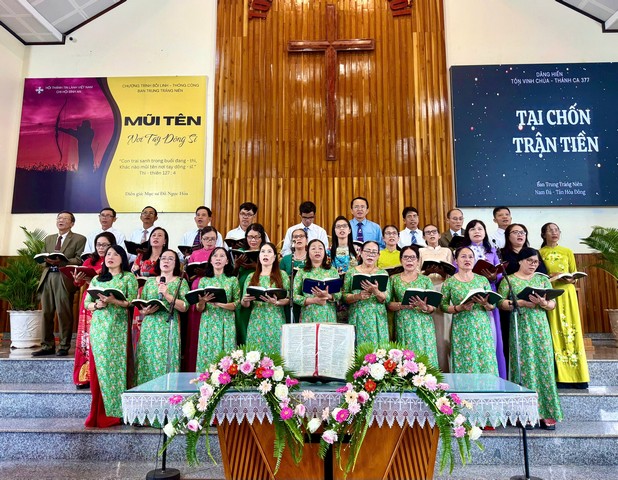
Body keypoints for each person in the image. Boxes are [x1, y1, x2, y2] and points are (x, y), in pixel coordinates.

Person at [498, 247, 563, 429]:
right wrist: (520, 303)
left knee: (544, 366)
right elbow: (500, 303)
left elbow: (552, 304)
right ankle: (525, 413)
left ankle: (546, 412)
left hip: (540, 327)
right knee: (524, 367)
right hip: (520, 327)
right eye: (530, 261)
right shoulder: (510, 280)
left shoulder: (542, 279)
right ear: (520, 261)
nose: (533, 265)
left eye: (536, 262)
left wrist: (544, 303)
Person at [84, 245, 138, 427]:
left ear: (122, 258)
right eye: (108, 254)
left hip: (118, 328)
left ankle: (116, 412)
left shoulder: (128, 277)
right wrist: (97, 305)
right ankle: (98, 412)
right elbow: (87, 303)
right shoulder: (97, 278)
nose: (110, 257)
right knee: (99, 368)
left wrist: (114, 301)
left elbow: (131, 302)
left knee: (115, 368)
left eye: (115, 254)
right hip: (99, 328)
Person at [539, 223, 590, 388]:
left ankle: (578, 376)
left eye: (556, 230)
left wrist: (570, 279)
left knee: (572, 329)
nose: (554, 233)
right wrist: (552, 276)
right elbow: (538, 276)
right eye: (550, 230)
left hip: (568, 293)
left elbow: (574, 275)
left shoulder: (567, 251)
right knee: (555, 330)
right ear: (544, 234)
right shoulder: (540, 253)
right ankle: (559, 375)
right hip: (551, 293)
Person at [33, 211, 87, 357]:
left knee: (64, 312)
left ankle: (64, 346)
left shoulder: (79, 238)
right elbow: (42, 256)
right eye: (59, 218)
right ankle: (47, 345)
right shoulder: (49, 239)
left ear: (72, 223)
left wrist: (62, 261)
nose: (61, 220)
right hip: (47, 276)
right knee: (46, 313)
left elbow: (79, 260)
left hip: (63, 277)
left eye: (65, 218)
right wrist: (46, 260)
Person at [440, 247, 498, 375]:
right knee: (465, 360)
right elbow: (443, 306)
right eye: (463, 256)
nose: (467, 260)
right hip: (461, 326)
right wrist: (458, 308)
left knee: (485, 359)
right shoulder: (449, 282)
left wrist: (485, 303)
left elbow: (492, 305)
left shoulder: (482, 280)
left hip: (482, 326)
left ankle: (488, 387)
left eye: (470, 257)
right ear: (456, 261)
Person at [135, 250, 189, 386]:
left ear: (176, 263)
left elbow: (185, 307)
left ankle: (167, 393)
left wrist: (167, 295)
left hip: (168, 324)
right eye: (163, 258)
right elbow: (142, 305)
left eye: (170, 259)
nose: (166, 261)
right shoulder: (150, 282)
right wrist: (145, 310)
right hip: (150, 325)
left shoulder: (180, 282)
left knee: (166, 360)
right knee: (147, 360)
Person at [462, 219, 507, 379]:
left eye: (480, 229)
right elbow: (456, 269)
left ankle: (492, 371)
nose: (477, 231)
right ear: (467, 233)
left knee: (492, 330)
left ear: (485, 232)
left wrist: (494, 276)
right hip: (469, 292)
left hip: (489, 291)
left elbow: (499, 273)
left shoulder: (492, 251)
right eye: (472, 229)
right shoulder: (463, 251)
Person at [72, 232, 116, 388]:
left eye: (105, 245)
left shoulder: (114, 261)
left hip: (106, 301)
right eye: (98, 245)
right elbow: (79, 284)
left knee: (101, 340)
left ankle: (101, 376)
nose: (101, 248)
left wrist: (95, 280)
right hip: (89, 301)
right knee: (86, 337)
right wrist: (78, 280)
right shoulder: (90, 261)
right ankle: (84, 376)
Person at [499, 223, 548, 363]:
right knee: (515, 345)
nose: (520, 235)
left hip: (537, 311)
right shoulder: (502, 254)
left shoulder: (534, 253)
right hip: (513, 308)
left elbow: (543, 274)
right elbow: (501, 301)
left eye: (523, 232)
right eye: (515, 232)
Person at [388, 245, 439, 367]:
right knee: (406, 359)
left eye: (412, 257)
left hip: (423, 323)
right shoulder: (393, 279)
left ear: (417, 260)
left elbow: (433, 306)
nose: (409, 260)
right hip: (403, 322)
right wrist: (403, 305)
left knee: (426, 358)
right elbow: (388, 304)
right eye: (406, 257)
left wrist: (425, 307)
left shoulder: (426, 280)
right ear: (401, 260)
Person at [195, 247, 240, 371]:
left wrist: (219, 304)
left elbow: (237, 304)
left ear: (227, 261)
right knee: (208, 353)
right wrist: (203, 301)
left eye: (222, 256)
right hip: (208, 321)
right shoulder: (204, 281)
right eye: (215, 256)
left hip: (226, 321)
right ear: (210, 260)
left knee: (227, 356)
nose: (218, 258)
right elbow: (199, 308)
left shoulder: (232, 280)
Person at [241, 243, 290, 354]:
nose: (265, 254)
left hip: (275, 318)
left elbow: (288, 299)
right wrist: (245, 300)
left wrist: (277, 302)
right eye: (262, 252)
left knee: (276, 353)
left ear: (274, 257)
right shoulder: (251, 276)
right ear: (259, 256)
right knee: (255, 354)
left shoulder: (282, 275)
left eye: (269, 252)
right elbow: (244, 304)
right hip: (256, 319)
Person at [419, 224, 454, 372]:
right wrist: (426, 273)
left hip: (443, 288)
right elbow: (417, 273)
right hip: (427, 289)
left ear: (439, 235)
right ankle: (430, 367)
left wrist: (443, 272)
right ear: (423, 236)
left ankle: (446, 370)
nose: (431, 234)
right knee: (431, 330)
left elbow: (452, 272)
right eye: (428, 232)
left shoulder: (447, 251)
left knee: (445, 332)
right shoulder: (420, 251)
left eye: (434, 232)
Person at [184, 226, 219, 371]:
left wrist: (207, 271)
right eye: (206, 239)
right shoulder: (195, 254)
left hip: (213, 290)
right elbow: (189, 276)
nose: (209, 242)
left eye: (212, 239)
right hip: (197, 290)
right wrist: (197, 273)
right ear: (201, 239)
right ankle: (194, 367)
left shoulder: (219, 253)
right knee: (195, 330)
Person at [344, 241, 390, 346]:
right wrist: (358, 296)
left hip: (378, 317)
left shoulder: (383, 273)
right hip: (358, 315)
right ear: (361, 252)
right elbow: (344, 296)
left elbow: (386, 298)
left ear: (378, 255)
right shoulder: (351, 272)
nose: (370, 255)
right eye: (368, 251)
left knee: (379, 351)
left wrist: (376, 292)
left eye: (374, 252)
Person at [233, 223, 267, 344]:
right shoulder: (240, 251)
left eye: (256, 237)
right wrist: (237, 265)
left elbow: (272, 270)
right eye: (250, 237)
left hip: (260, 284)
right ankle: (243, 347)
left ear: (262, 238)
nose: (253, 240)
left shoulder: (265, 251)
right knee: (242, 315)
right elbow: (232, 275)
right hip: (242, 285)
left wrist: (256, 266)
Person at [293, 239, 341, 323]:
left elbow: (339, 294)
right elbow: (294, 296)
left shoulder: (332, 270)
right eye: (313, 248)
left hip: (328, 314)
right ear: (308, 252)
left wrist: (328, 296)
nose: (317, 251)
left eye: (320, 248)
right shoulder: (302, 272)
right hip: (308, 314)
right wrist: (313, 300)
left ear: (324, 252)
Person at [280, 228, 308, 323]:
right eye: (295, 237)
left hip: (307, 297)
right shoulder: (286, 259)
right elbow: (280, 278)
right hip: (290, 298)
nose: (298, 239)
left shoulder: (311, 258)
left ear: (306, 240)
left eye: (301, 236)